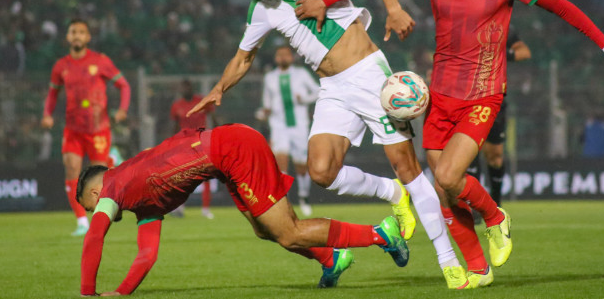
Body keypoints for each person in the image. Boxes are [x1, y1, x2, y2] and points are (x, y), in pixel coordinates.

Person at [296, 0, 604, 287]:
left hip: (483, 95)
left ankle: (496, 216)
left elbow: (559, 5)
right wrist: (326, 0)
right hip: (439, 97)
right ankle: (478, 268)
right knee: (445, 193)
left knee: (448, 175)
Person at [187, 0, 472, 289]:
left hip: (369, 76)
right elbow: (243, 58)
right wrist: (219, 89)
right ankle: (392, 194)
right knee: (321, 171)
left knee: (408, 167)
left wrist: (393, 8)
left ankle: (448, 261)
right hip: (332, 89)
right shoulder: (260, 9)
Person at [76, 123, 409, 295]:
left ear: (95, 191)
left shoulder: (114, 186)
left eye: (91, 206)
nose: (96, 212)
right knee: (265, 230)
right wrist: (121, 292)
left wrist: (87, 294)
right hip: (225, 158)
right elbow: (147, 255)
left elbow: (94, 237)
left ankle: (381, 234)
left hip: (231, 149)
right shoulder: (141, 201)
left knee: (288, 231)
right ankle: (331, 258)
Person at [41, 18, 131, 236]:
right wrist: (47, 114)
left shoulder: (100, 61)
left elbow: (123, 85)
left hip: (98, 128)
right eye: (74, 32)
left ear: (88, 37)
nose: (77, 36)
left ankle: (110, 161)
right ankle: (82, 221)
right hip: (73, 130)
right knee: (71, 169)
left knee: (98, 176)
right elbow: (53, 93)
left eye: (81, 32)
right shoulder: (61, 66)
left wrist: (122, 109)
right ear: (68, 37)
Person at [467, 28, 531, 215]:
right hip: (468, 98)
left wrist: (501, 53)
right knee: (470, 152)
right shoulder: (464, 26)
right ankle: (474, 205)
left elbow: (525, 52)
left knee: (494, 155)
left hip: (495, 99)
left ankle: (495, 201)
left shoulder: (499, 29)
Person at [258, 45, 319, 217]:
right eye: (279, 55)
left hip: (299, 125)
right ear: (276, 58)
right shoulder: (269, 78)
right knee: (281, 161)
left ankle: (304, 197)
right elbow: (267, 103)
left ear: (291, 57)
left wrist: (304, 99)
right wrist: (264, 112)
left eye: (285, 55)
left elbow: (318, 91)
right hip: (278, 125)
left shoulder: (301, 74)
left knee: (301, 165)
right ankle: (283, 202)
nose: (282, 58)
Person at [169, 78, 220, 218]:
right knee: (181, 176)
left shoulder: (202, 101)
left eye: (187, 87)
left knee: (207, 175)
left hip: (201, 142)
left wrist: (219, 133)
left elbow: (213, 117)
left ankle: (205, 209)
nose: (185, 90)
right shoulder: (176, 106)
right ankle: (179, 207)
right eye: (183, 88)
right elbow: (174, 126)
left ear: (192, 88)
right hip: (184, 144)